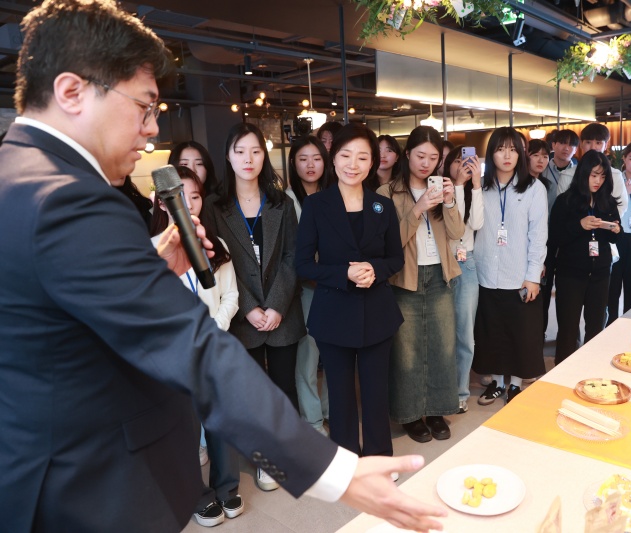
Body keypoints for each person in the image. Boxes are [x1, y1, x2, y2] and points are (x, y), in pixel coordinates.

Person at [0, 2, 446, 532]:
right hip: (82, 490)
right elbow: (192, 349)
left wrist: (144, 266)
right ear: (72, 92)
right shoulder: (66, 197)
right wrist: (334, 470)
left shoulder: (23, 176)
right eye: (144, 106)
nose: (151, 130)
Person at [202, 122, 307, 493]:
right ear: (228, 156)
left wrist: (276, 305)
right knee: (249, 392)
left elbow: (294, 256)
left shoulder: (280, 201)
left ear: (265, 156)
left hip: (282, 314)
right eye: (240, 151)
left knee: (282, 389)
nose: (249, 159)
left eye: (256, 151)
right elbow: (217, 261)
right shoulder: (214, 207)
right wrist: (248, 307)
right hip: (239, 315)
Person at [296, 123, 404, 461]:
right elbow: (302, 265)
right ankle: (344, 460)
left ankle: (378, 457)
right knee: (340, 394)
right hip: (333, 314)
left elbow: (395, 258)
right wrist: (343, 273)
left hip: (377, 312)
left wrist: (376, 269)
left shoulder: (382, 206)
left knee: (375, 392)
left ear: (372, 163)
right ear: (333, 157)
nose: (352, 164)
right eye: (345, 155)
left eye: (362, 157)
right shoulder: (316, 205)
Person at [151, 166, 243, 527]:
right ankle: (198, 495)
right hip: (177, 355)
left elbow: (232, 295)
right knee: (187, 429)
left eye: (195, 195)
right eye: (180, 196)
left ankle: (227, 487)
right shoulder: (150, 251)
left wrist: (213, 329)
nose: (189, 203)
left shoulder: (214, 245)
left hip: (215, 345)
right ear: (162, 202)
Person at [377, 125, 464, 444]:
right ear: (407, 155)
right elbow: (387, 243)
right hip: (404, 279)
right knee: (407, 351)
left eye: (434, 157)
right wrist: (417, 209)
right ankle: (411, 415)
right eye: (420, 156)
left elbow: (456, 233)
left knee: (443, 347)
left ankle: (438, 410)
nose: (427, 163)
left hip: (440, 276)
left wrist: (451, 201)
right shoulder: (386, 193)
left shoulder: (443, 187)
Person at [472, 128, 548, 405]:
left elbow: (538, 236)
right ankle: (493, 383)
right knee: (490, 331)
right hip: (484, 272)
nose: (507, 155)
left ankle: (515, 384)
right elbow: (473, 225)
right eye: (501, 149)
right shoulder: (481, 185)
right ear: (491, 153)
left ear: (521, 154)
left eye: (513, 149)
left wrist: (532, 277)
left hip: (518, 274)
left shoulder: (534, 189)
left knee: (520, 332)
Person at [549, 150, 621, 364]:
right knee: (569, 328)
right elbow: (555, 238)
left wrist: (615, 230)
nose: (598, 181)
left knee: (596, 325)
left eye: (602, 176)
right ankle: (562, 373)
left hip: (600, 272)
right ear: (583, 174)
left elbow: (616, 239)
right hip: (570, 273)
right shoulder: (566, 201)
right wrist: (579, 226)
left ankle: (591, 368)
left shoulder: (608, 202)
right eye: (593, 175)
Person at [286, 135, 332, 436]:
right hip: (304, 287)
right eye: (302, 158)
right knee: (308, 354)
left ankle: (331, 409)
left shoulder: (335, 195)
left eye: (316, 157)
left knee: (334, 354)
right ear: (293, 164)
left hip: (335, 284)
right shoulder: (286, 200)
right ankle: (313, 419)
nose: (310, 164)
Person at [442, 145, 484, 414]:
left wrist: (475, 184)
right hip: (441, 263)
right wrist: (456, 185)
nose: (462, 166)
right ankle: (441, 388)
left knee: (464, 334)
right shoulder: (442, 189)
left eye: (467, 161)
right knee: (441, 333)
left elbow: (476, 223)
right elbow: (451, 223)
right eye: (456, 161)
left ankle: (460, 391)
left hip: (466, 262)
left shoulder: (474, 192)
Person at [607, 141, 631, 324]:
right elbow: (606, 208)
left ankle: (629, 323)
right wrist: (625, 191)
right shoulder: (615, 179)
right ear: (623, 158)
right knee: (613, 284)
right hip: (617, 235)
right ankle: (611, 321)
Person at [557, 123, 628, 221]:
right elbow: (562, 209)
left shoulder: (615, 175)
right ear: (581, 144)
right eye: (588, 142)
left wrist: (603, 224)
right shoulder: (567, 175)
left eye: (598, 143)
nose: (593, 147)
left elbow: (621, 205)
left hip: (605, 230)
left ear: (605, 145)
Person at [530, 138, 559, 342]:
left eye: (545, 156)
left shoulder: (546, 185)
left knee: (544, 291)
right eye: (535, 155)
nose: (541, 160)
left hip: (546, 243)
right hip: (525, 245)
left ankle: (539, 334)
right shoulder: (519, 183)